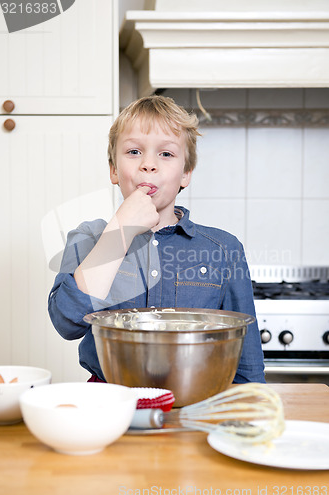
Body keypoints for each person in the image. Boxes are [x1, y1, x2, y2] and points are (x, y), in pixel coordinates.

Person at [48, 95, 265, 384]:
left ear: (186, 173)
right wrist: (121, 229)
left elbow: (246, 361)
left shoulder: (224, 249)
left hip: (197, 398)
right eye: (134, 151)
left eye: (166, 154)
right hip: (108, 400)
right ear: (114, 169)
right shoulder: (89, 239)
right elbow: (66, 322)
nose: (148, 165)